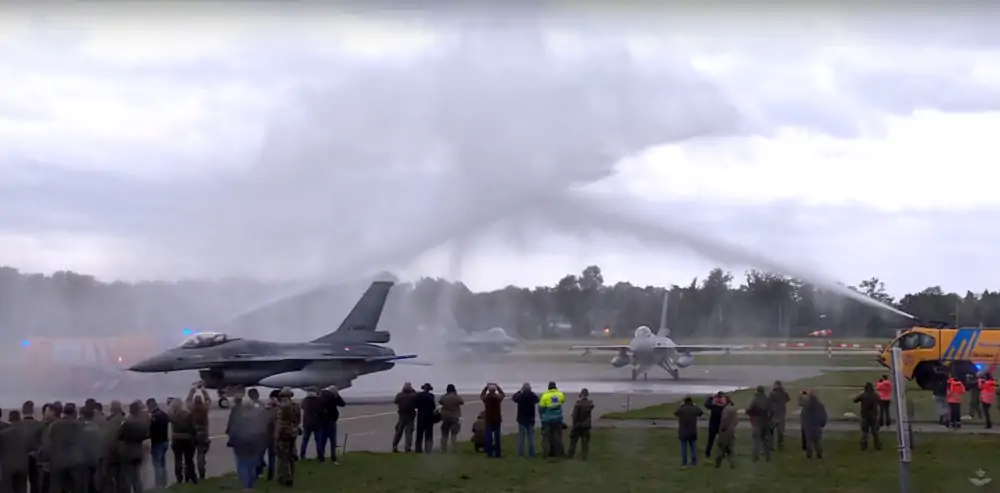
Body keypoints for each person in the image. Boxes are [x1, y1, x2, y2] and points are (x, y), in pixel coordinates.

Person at [45, 402, 87, 493]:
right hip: (76, 461)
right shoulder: (80, 425)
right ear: (74, 412)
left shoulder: (54, 425)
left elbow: (49, 443)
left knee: (57, 488)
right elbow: (84, 442)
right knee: (77, 489)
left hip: (59, 462)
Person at [118, 400, 150, 493]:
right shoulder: (143, 423)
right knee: (137, 476)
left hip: (127, 452)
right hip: (138, 451)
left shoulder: (126, 423)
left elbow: (119, 436)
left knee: (127, 476)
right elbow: (146, 436)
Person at [275, 387, 302, 486]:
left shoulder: (283, 407)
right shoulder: (295, 406)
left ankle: (285, 478)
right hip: (293, 433)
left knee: (283, 456)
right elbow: (298, 421)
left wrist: (277, 436)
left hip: (284, 434)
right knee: (291, 456)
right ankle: (291, 475)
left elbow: (281, 423)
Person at [168, 398, 198, 484]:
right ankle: (192, 477)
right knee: (189, 460)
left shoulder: (172, 415)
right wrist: (194, 437)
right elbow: (193, 428)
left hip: (176, 439)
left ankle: (179, 479)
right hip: (187, 438)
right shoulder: (187, 415)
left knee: (178, 460)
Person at [1, 410, 31, 493]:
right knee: (21, 488)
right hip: (23, 465)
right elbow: (31, 448)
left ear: (9, 419)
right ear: (19, 418)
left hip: (7, 466)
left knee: (6, 489)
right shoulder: (26, 433)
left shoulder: (3, 434)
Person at [18, 401, 42, 493]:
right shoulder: (39, 425)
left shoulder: (17, 425)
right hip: (35, 457)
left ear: (22, 411)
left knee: (20, 484)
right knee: (35, 483)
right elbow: (42, 443)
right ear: (33, 411)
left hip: (20, 457)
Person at [318, 385, 346, 463]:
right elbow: (342, 404)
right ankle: (333, 458)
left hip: (322, 422)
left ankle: (321, 458)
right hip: (330, 421)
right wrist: (337, 396)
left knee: (322, 441)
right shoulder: (332, 397)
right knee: (332, 441)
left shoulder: (321, 396)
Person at [147, 398, 171, 489]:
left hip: (157, 443)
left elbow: (151, 431)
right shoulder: (164, 414)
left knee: (157, 465)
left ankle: (159, 483)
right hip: (165, 441)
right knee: (163, 463)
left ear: (150, 405)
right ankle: (164, 482)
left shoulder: (154, 417)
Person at [745, 385, 773, 462]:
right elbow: (772, 410)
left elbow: (750, 409)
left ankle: (755, 457)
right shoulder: (767, 399)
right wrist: (769, 418)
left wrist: (749, 413)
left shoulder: (755, 399)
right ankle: (768, 456)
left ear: (757, 391)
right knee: (765, 439)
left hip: (757, 420)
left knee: (757, 439)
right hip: (765, 420)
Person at [673, 396, 704, 467]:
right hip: (693, 431)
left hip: (683, 431)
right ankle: (694, 461)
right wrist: (695, 405)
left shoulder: (682, 409)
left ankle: (684, 462)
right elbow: (701, 412)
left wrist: (681, 405)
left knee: (683, 447)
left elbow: (675, 413)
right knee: (693, 447)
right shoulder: (694, 408)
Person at [539, 381, 566, 459]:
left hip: (547, 419)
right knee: (557, 436)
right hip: (557, 419)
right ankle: (558, 452)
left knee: (546, 437)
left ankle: (546, 453)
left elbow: (541, 408)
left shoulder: (545, 396)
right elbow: (562, 401)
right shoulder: (560, 395)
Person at [512, 382, 540, 457]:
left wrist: (519, 391)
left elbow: (514, 398)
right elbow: (538, 399)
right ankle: (531, 453)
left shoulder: (520, 396)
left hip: (521, 418)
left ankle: (520, 453)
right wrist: (531, 392)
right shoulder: (532, 396)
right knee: (530, 437)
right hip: (530, 419)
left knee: (521, 437)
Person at [853, 382, 882, 451]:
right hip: (873, 415)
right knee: (875, 432)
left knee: (864, 432)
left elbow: (855, 400)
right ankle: (877, 445)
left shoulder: (863, 395)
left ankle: (864, 446)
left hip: (865, 415)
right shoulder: (876, 395)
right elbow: (879, 401)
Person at [189, 393, 211, 481]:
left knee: (190, 456)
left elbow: (187, 401)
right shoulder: (204, 410)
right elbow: (208, 401)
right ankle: (202, 473)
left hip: (193, 435)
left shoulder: (192, 410)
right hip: (204, 434)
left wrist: (191, 391)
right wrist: (204, 391)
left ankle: (191, 474)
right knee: (201, 455)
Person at [567, 388, 594, 460]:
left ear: (581, 394)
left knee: (573, 441)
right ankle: (584, 456)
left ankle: (570, 454)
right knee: (585, 441)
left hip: (578, 425)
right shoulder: (589, 404)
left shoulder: (578, 404)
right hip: (586, 425)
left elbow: (575, 415)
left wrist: (574, 423)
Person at [481, 382, 505, 458]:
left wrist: (486, 387)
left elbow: (482, 395)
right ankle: (498, 453)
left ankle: (489, 453)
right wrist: (498, 387)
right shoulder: (497, 399)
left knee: (488, 437)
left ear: (489, 391)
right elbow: (503, 394)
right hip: (497, 419)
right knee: (497, 437)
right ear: (495, 391)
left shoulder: (486, 399)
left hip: (489, 419)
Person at [800, 391, 828, 459]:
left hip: (809, 426)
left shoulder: (806, 407)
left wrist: (804, 425)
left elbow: (803, 416)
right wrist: (823, 423)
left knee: (809, 441)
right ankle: (819, 454)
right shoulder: (820, 406)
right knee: (818, 441)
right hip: (817, 425)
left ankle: (809, 455)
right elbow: (824, 415)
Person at [392, 382, 418, 453]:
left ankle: (394, 446)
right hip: (410, 415)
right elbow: (417, 401)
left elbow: (395, 401)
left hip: (402, 415)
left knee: (399, 431)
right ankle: (407, 448)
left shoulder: (400, 395)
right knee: (409, 432)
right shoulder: (413, 395)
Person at [438, 384, 464, 453]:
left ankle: (443, 448)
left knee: (444, 434)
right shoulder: (456, 397)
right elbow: (462, 402)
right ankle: (453, 448)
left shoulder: (444, 397)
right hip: (454, 416)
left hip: (445, 416)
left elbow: (440, 402)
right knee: (454, 434)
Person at [714, 396, 738, 469]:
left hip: (725, 431)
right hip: (731, 430)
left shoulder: (726, 410)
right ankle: (732, 463)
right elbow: (736, 420)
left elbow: (724, 420)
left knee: (721, 446)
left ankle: (718, 462)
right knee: (730, 447)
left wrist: (722, 428)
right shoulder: (734, 409)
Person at [415, 383, 438, 453]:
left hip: (421, 416)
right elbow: (433, 407)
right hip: (429, 417)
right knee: (428, 434)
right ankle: (428, 449)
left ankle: (418, 449)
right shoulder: (431, 396)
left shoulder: (419, 395)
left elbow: (416, 405)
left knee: (419, 435)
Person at [299, 388, 322, 459]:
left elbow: (302, 407)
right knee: (318, 440)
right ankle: (320, 455)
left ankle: (302, 454)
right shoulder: (318, 401)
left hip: (307, 423)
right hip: (316, 422)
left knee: (305, 439)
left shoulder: (305, 400)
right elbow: (320, 411)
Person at [703, 392, 727, 458]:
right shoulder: (724, 405)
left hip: (713, 424)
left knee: (710, 440)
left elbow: (706, 404)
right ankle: (723, 453)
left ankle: (707, 453)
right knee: (722, 440)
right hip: (721, 424)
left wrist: (711, 398)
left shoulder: (714, 405)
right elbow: (732, 404)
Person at [768, 381, 790, 451]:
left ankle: (770, 445)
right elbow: (788, 399)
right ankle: (780, 446)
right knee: (780, 431)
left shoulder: (772, 394)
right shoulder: (784, 394)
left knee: (771, 431)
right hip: (781, 414)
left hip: (773, 414)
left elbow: (768, 401)